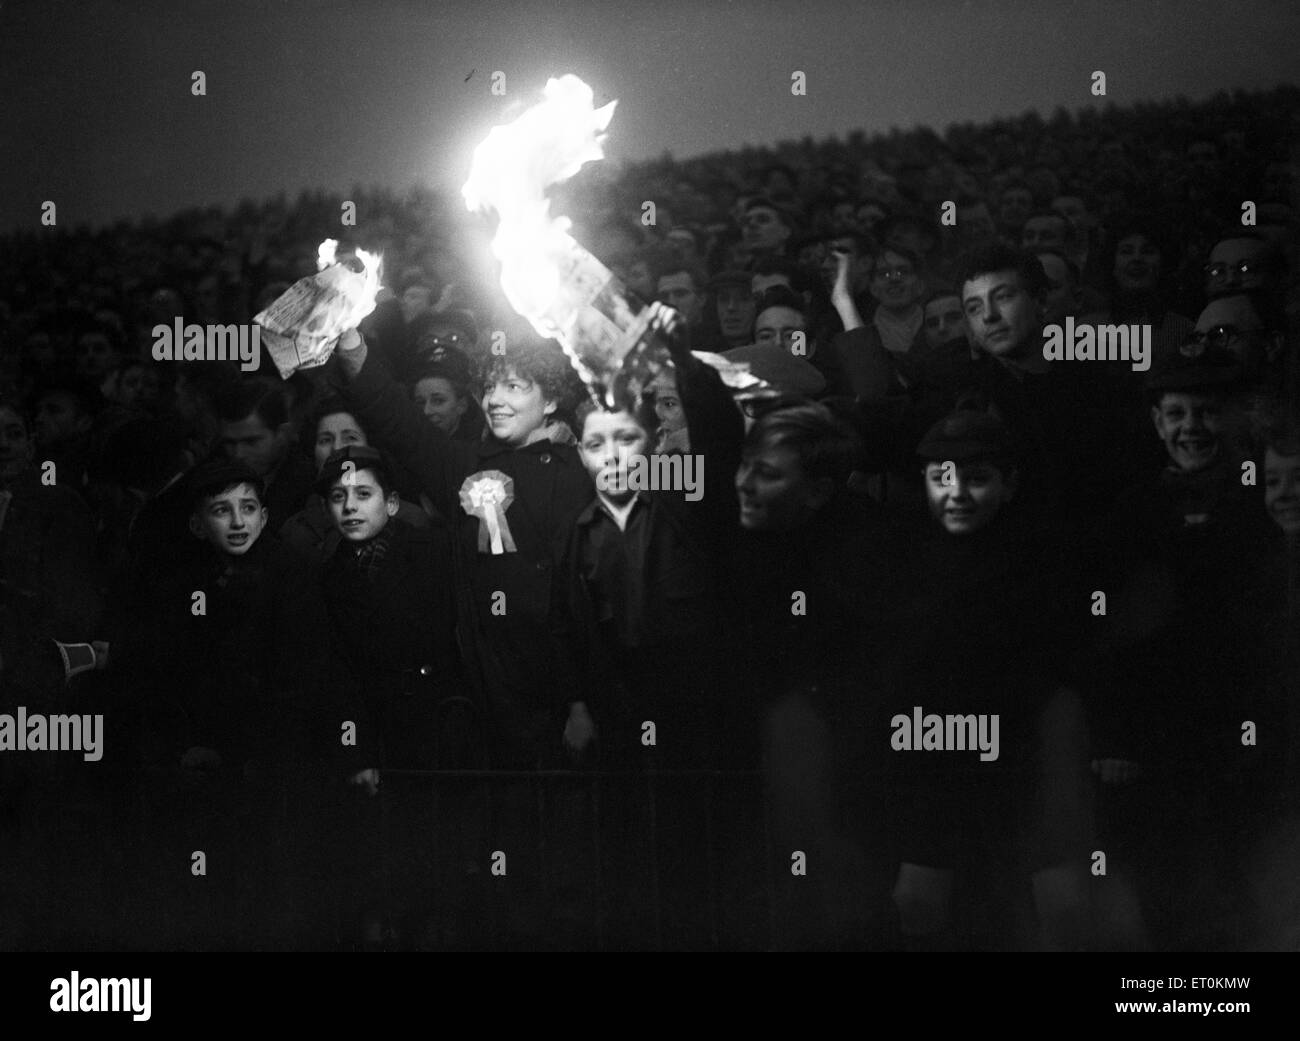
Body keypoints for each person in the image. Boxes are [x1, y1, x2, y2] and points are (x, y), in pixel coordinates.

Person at [882, 410, 1090, 951]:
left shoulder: (1046, 561)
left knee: (1059, 903)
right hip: (936, 759)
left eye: (975, 478)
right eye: (939, 477)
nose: (956, 494)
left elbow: (1058, 669)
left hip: (1026, 758)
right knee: (918, 899)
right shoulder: (905, 562)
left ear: (1010, 483)